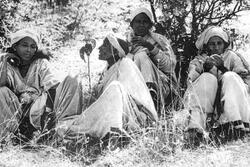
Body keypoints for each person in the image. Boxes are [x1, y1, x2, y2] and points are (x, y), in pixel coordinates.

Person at [56, 34, 158, 146]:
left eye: (104, 45)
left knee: (115, 87)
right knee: (73, 79)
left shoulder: (126, 64)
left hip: (132, 114)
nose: (99, 48)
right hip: (112, 113)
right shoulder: (108, 68)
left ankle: (114, 134)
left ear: (115, 51)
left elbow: (129, 96)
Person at [0, 29, 82, 142]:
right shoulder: (10, 66)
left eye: (33, 46)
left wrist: (47, 114)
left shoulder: (40, 63)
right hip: (18, 109)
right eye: (24, 45)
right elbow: (2, 85)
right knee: (2, 91)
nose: (29, 50)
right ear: (15, 47)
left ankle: (64, 132)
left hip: (39, 108)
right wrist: (4, 61)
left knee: (73, 78)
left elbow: (52, 87)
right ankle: (7, 137)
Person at [184, 26, 250, 144]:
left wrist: (222, 68)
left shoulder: (232, 57)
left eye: (219, 43)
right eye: (212, 44)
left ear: (224, 44)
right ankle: (197, 128)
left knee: (229, 76)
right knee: (207, 78)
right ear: (206, 46)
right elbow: (191, 79)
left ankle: (233, 124)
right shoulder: (200, 59)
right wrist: (205, 68)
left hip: (229, 97)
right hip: (209, 99)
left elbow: (243, 79)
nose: (216, 47)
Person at [126, 7, 179, 115]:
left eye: (145, 22)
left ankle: (151, 97)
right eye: (138, 21)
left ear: (150, 25)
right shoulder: (125, 42)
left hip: (160, 85)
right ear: (131, 24)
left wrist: (149, 46)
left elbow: (169, 67)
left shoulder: (159, 40)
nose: (141, 24)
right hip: (130, 84)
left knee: (141, 55)